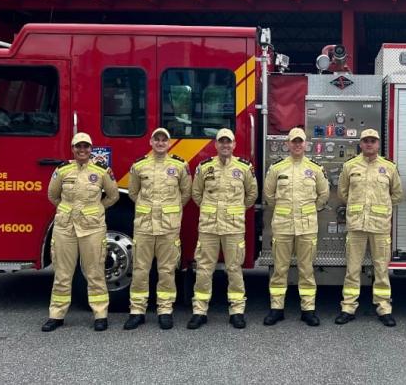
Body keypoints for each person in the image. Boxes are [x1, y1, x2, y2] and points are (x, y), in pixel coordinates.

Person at [41, 132, 119, 332]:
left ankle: (100, 314)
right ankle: (56, 315)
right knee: (62, 273)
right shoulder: (63, 170)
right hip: (65, 228)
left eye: (86, 146)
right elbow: (52, 195)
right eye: (78, 147)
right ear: (73, 149)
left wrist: (96, 210)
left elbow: (113, 196)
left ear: (91, 149)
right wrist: (67, 210)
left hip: (92, 229)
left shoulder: (102, 171)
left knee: (95, 273)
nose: (82, 150)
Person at [188, 128, 258, 329]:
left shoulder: (244, 168)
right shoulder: (205, 167)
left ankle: (237, 310)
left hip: (233, 227)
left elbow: (252, 195)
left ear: (234, 145)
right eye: (222, 142)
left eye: (229, 142)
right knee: (204, 268)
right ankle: (200, 311)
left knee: (234, 268)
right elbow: (196, 194)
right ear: (216, 145)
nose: (225, 145)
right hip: (209, 226)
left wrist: (235, 211)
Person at [123, 127, 192, 330]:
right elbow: (133, 193)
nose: (160, 143)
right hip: (144, 227)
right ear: (151, 142)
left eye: (164, 140)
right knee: (140, 270)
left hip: (168, 228)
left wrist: (171, 212)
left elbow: (186, 194)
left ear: (169, 143)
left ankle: (165, 310)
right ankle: (137, 311)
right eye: (157, 139)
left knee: (167, 270)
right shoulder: (139, 166)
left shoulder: (180, 166)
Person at [334, 128, 403, 327]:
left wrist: (381, 210)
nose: (369, 144)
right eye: (366, 141)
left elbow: (396, 194)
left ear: (378, 144)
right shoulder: (350, 166)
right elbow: (342, 193)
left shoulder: (389, 167)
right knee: (352, 269)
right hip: (356, 225)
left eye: (373, 140)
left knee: (381, 268)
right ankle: (348, 307)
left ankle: (384, 308)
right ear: (361, 144)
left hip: (380, 226)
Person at [263, 127, 330, 326]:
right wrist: (285, 210)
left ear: (306, 144)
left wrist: (309, 210)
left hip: (307, 227)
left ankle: (308, 310)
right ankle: (277, 309)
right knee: (279, 269)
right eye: (294, 141)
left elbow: (324, 195)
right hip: (283, 226)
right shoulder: (276, 168)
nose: (297, 145)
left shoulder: (315, 169)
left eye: (300, 141)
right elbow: (269, 195)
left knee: (306, 269)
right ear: (287, 144)